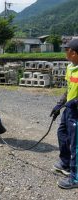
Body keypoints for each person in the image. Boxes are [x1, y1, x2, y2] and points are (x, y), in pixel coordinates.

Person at [50, 38, 78, 189]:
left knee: (76, 144)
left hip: (76, 112)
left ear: (74, 53)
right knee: (62, 134)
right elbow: (68, 89)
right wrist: (59, 104)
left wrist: (74, 102)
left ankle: (76, 178)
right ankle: (65, 163)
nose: (65, 52)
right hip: (69, 109)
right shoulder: (70, 68)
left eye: (66, 50)